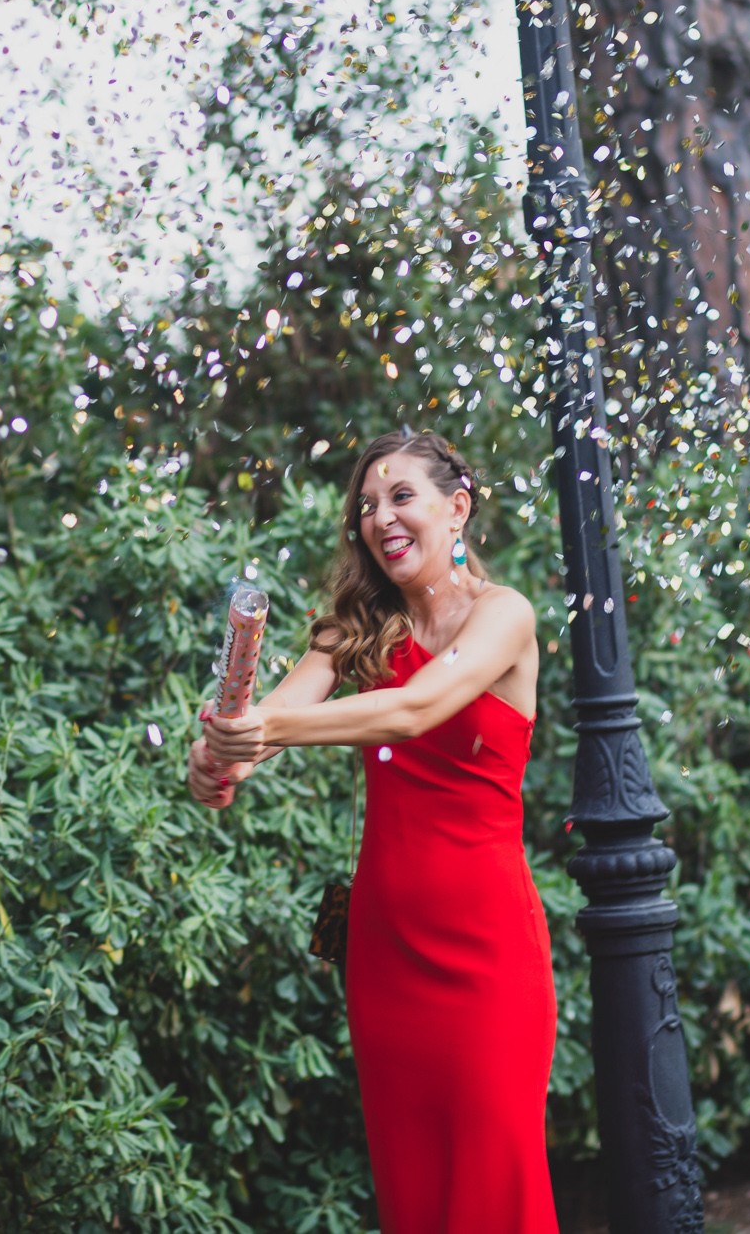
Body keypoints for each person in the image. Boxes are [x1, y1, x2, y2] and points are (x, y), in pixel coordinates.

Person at [187, 430, 557, 1234]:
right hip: (385, 952)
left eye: (399, 497)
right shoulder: (352, 628)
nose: (378, 517)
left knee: (498, 1179)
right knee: (415, 1195)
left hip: (490, 950)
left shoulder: (506, 617)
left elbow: (415, 709)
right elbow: (274, 719)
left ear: (456, 509)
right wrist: (219, 756)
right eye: (364, 505)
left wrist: (265, 728)